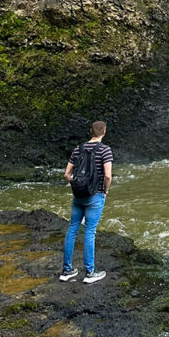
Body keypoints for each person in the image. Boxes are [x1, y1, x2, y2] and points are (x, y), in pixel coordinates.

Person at [60, 120, 113, 283]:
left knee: (72, 229)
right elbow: (108, 176)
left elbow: (66, 174)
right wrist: (105, 191)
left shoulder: (78, 149)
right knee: (90, 231)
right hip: (95, 195)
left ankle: (67, 270)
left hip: (78, 195)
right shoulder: (105, 150)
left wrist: (75, 185)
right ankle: (90, 272)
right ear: (103, 131)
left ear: (91, 131)